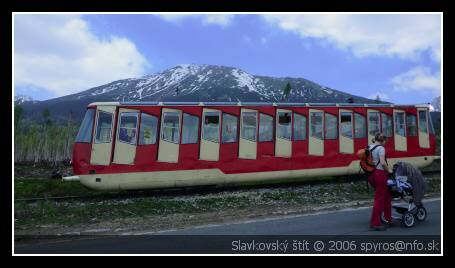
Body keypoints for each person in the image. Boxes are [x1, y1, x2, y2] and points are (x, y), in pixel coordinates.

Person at [368, 132, 393, 231]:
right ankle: (375, 223)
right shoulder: (381, 148)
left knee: (387, 197)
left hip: (372, 175)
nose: (385, 143)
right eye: (385, 141)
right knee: (379, 199)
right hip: (380, 175)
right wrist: (389, 170)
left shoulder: (369, 146)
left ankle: (388, 219)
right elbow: (382, 163)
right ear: (382, 140)